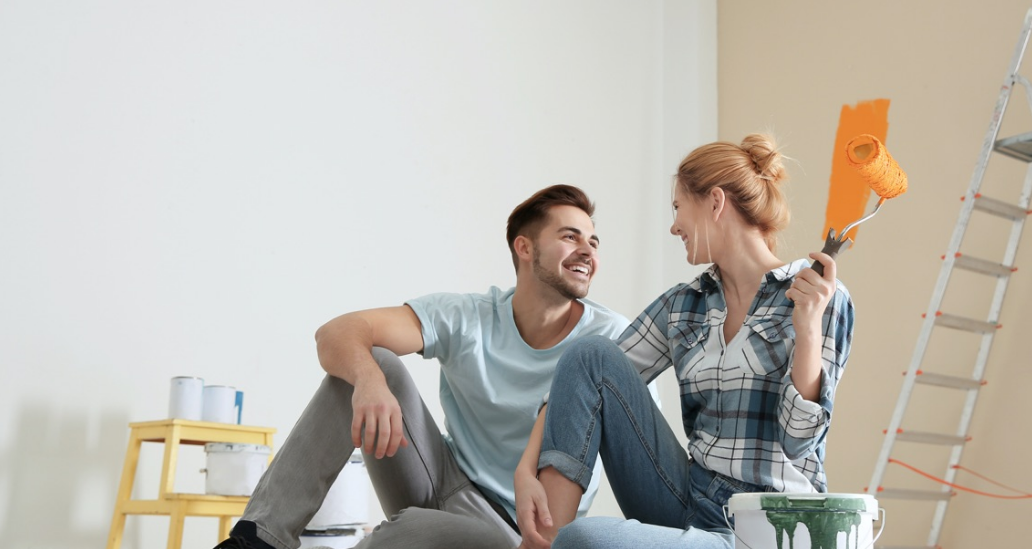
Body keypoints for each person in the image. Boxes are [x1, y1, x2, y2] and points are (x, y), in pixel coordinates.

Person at [215, 185, 631, 549]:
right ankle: (258, 540)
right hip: (441, 480)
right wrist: (369, 382)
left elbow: (628, 447)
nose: (588, 251)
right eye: (570, 236)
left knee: (418, 529)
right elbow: (336, 332)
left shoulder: (611, 338)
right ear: (524, 248)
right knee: (371, 361)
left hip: (515, 531)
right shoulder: (471, 316)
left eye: (594, 242)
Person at [513, 134, 855, 549]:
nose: (674, 226)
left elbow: (800, 440)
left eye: (678, 207)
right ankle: (540, 541)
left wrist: (808, 327)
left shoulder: (820, 297)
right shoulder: (684, 304)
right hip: (689, 500)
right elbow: (582, 382)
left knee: (586, 540)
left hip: (768, 528)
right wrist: (525, 471)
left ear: (715, 202)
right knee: (589, 355)